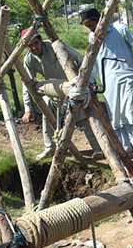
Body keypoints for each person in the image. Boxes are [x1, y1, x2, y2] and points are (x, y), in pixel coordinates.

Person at [20, 29, 103, 160]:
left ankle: (98, 148)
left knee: (87, 116)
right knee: (47, 111)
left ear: (40, 40)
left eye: (35, 43)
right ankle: (50, 148)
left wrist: (85, 81)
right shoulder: (29, 60)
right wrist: (28, 109)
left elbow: (79, 58)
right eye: (29, 46)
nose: (34, 47)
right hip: (53, 90)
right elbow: (28, 84)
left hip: (72, 86)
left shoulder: (55, 46)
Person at [80, 8, 133, 166]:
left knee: (131, 114)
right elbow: (94, 61)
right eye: (87, 27)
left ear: (98, 19)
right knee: (115, 117)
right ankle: (126, 149)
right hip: (109, 82)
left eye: (91, 24)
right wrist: (91, 81)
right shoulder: (93, 37)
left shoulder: (120, 29)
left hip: (129, 77)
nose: (90, 28)